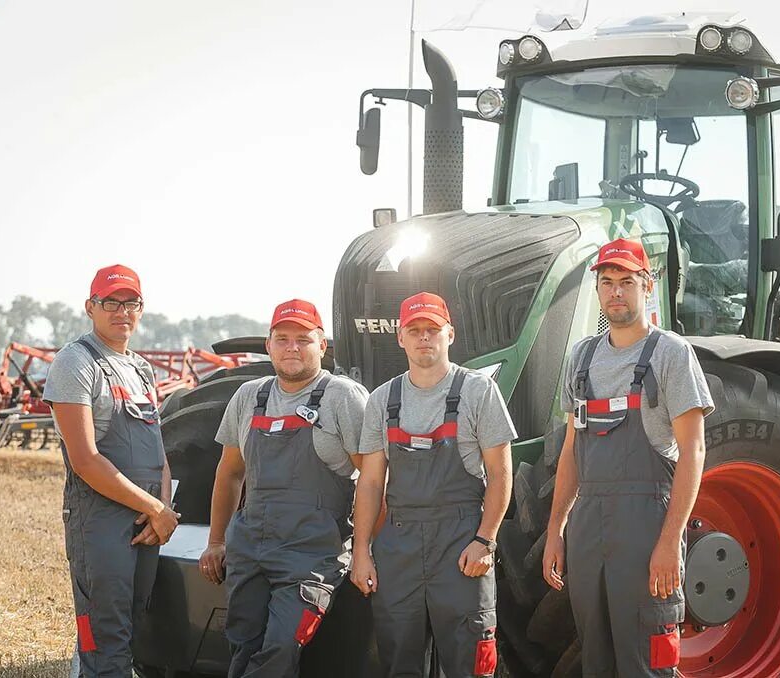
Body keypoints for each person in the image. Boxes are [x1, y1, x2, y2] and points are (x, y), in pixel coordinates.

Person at [541, 238, 714, 676]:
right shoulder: (581, 358)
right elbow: (571, 452)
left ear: (646, 285)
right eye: (607, 282)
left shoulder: (671, 355)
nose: (616, 291)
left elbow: (693, 450)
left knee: (648, 660)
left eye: (626, 282)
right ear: (598, 290)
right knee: (595, 657)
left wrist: (669, 541)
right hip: (589, 530)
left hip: (646, 527)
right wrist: (556, 530)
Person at [199, 299, 369, 677]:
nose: (292, 347)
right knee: (243, 646)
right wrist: (216, 540)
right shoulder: (248, 396)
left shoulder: (342, 397)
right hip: (250, 550)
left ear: (321, 346)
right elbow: (229, 473)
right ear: (269, 345)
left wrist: (365, 551)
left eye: (303, 339)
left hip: (312, 557)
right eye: (283, 338)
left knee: (279, 647)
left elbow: (374, 479)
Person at [351, 292, 516, 678]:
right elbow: (371, 482)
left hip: (461, 545)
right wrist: (361, 550)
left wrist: (485, 540)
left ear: (450, 334)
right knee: (399, 662)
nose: (424, 337)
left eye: (433, 329)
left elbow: (501, 473)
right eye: (415, 330)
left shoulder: (478, 391)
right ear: (400, 337)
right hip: (399, 547)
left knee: (471, 662)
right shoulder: (382, 400)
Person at [44, 264, 179, 677]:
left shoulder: (140, 369)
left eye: (131, 303)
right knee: (104, 637)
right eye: (111, 302)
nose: (122, 311)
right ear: (91, 307)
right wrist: (154, 508)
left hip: (146, 520)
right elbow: (85, 460)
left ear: (141, 309)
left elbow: (158, 450)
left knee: (132, 627)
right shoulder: (76, 363)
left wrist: (165, 512)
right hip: (99, 521)